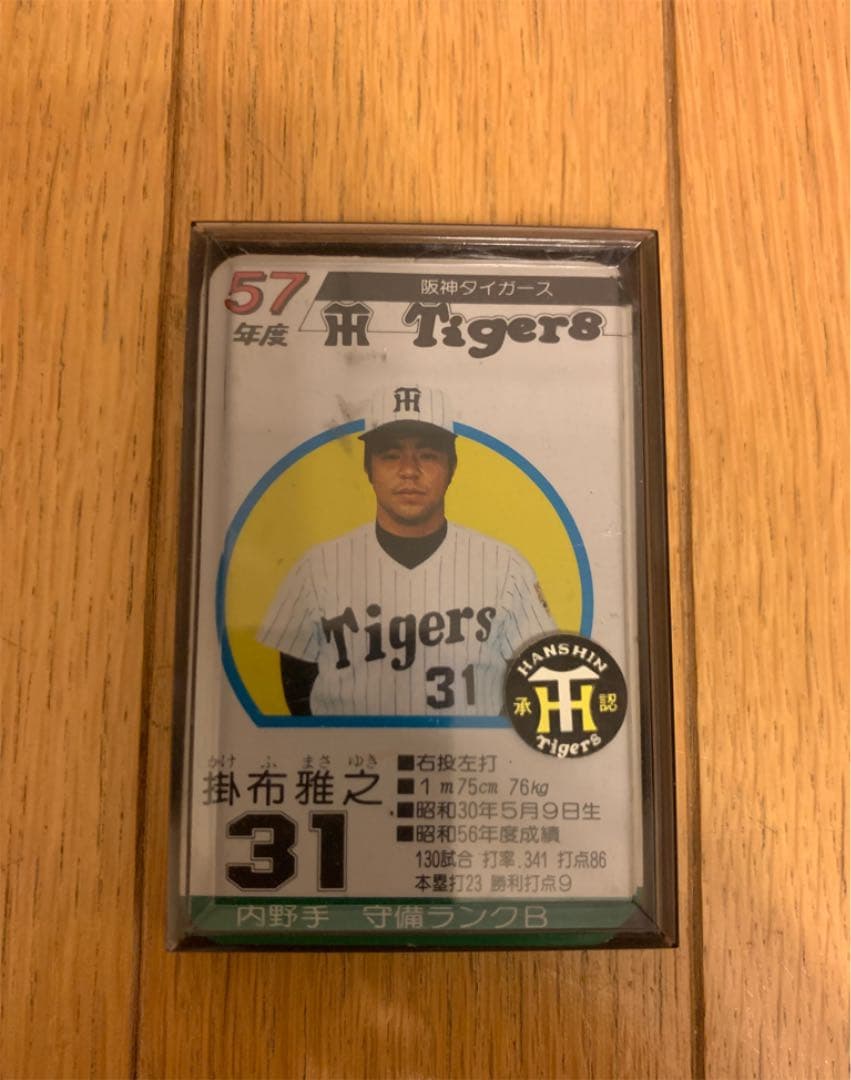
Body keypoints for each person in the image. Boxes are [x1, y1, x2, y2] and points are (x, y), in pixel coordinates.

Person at [257, 385, 555, 715]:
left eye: (427, 455)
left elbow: (535, 671)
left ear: (452, 468)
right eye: (390, 455)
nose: (409, 471)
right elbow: (297, 682)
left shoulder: (505, 567)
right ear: (368, 469)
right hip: (348, 747)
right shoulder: (318, 568)